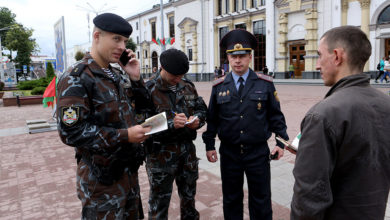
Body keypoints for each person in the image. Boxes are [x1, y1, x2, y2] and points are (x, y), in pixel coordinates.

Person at [288, 26, 390, 220]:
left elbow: (308, 198)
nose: (317, 65)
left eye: (319, 55)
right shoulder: (386, 103)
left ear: (337, 56)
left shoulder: (323, 114)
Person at [56, 13, 152, 219]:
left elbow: (144, 109)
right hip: (100, 182)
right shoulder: (77, 77)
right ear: (97, 36)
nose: (122, 46)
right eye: (116, 39)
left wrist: (135, 78)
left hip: (127, 175)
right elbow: (71, 133)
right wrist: (125, 135)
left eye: (124, 41)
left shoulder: (117, 75)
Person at [202, 29, 289, 220]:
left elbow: (276, 116)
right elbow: (213, 119)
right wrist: (209, 145)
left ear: (250, 57)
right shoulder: (219, 86)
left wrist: (281, 143)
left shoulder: (264, 84)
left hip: (257, 152)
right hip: (230, 153)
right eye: (233, 56)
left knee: (261, 198)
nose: (237, 61)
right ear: (227, 58)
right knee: (231, 198)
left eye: (242, 56)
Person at [145, 48, 207, 219]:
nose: (178, 79)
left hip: (187, 154)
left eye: (181, 75)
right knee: (159, 205)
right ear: (161, 67)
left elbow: (201, 108)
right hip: (160, 157)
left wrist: (197, 120)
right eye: (174, 75)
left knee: (189, 200)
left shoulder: (187, 86)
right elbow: (140, 124)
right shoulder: (147, 89)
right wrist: (170, 123)